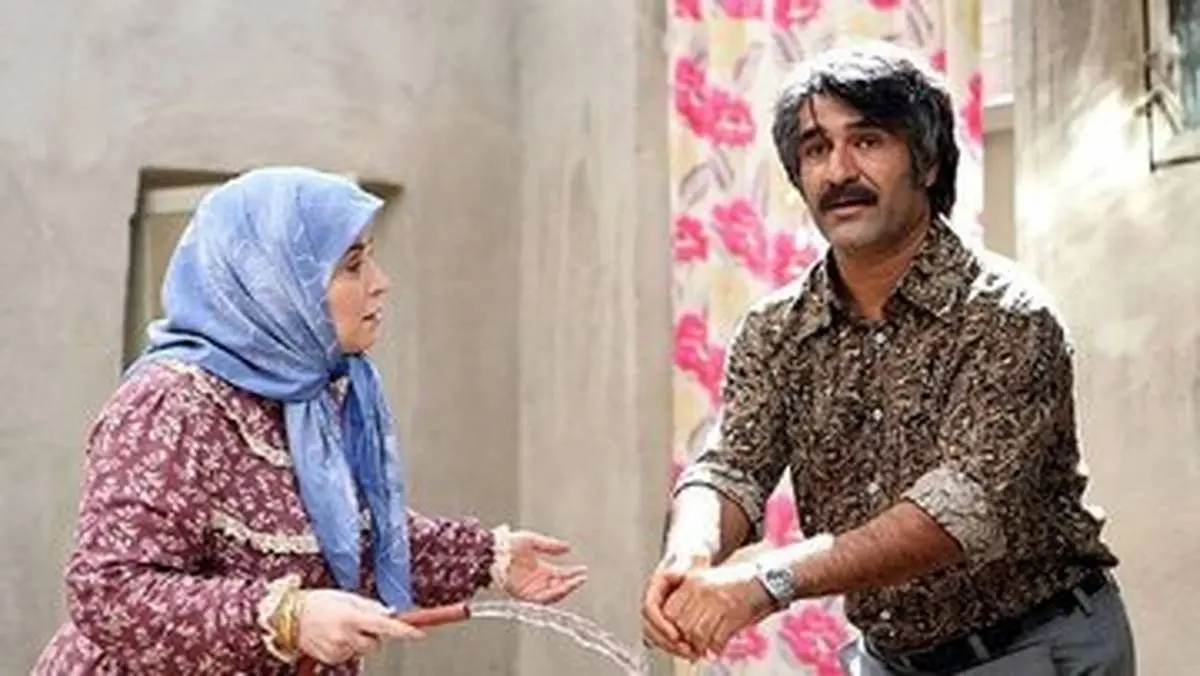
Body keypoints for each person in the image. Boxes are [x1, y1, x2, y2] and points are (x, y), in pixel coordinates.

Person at [641, 43, 1136, 675]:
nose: (838, 170)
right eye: (816, 149)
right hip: (889, 659)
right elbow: (733, 465)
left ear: (927, 162)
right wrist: (690, 552)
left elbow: (957, 512)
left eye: (868, 141)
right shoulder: (776, 330)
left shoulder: (1007, 315)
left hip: (1032, 647)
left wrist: (767, 581)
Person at [34, 167, 587, 675]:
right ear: (274, 285)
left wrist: (488, 558)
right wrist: (287, 618)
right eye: (353, 266)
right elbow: (110, 590)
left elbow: (347, 537)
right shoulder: (173, 404)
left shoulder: (311, 395)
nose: (380, 282)